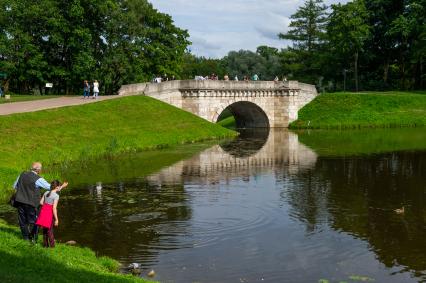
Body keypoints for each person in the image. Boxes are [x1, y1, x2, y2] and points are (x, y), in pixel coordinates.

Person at [13, 162, 60, 242]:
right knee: (34, 222)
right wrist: (60, 187)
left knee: (22, 221)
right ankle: (33, 240)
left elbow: (15, 186)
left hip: (20, 201)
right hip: (31, 203)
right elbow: (50, 187)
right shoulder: (38, 179)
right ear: (38, 170)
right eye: (41, 169)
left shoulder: (22, 174)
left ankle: (26, 238)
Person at [36, 180, 67, 248]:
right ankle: (52, 247)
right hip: (49, 214)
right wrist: (56, 219)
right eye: (59, 186)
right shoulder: (56, 196)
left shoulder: (46, 192)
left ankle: (45, 245)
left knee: (45, 230)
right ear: (57, 187)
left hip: (43, 212)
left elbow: (41, 202)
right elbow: (54, 208)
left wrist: (62, 186)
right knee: (50, 231)